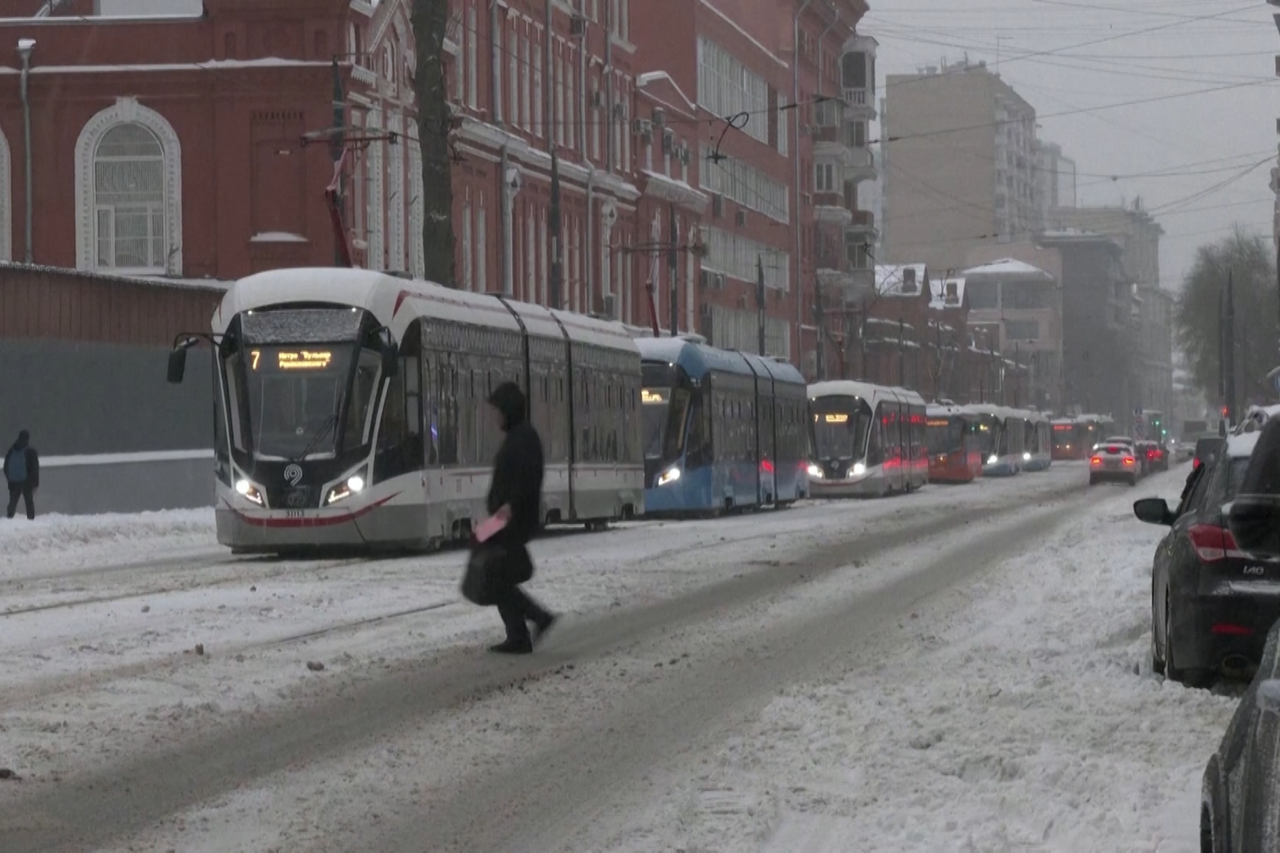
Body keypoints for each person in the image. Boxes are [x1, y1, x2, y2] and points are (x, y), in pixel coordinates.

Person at [482, 382, 557, 655]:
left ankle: (534, 621)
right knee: (496, 573)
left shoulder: (523, 438)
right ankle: (519, 634)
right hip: (507, 516)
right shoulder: (519, 436)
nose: (496, 417)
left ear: (509, 410)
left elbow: (525, 479)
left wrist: (508, 508)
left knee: (495, 576)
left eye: (498, 411)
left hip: (513, 518)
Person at [4, 430, 38, 520]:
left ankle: (9, 518)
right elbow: (34, 469)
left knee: (12, 502)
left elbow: (6, 466)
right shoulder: (30, 451)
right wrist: (35, 483)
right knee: (29, 502)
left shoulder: (11, 450)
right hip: (26, 481)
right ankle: (31, 519)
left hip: (14, 481)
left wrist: (9, 479)